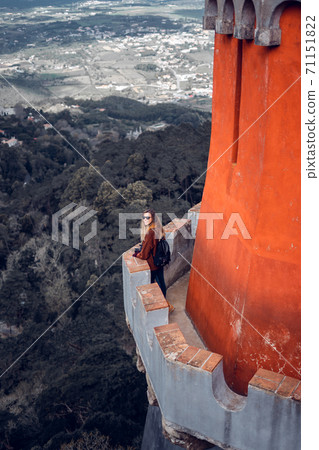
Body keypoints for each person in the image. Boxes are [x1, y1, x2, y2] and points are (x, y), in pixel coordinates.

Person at [133, 209, 174, 312]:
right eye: (144, 217)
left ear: (153, 218)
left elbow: (144, 254)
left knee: (152, 285)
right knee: (161, 283)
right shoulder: (159, 229)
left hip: (153, 264)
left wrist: (137, 254)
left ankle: (162, 307)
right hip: (160, 261)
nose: (145, 219)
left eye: (148, 217)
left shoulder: (150, 233)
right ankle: (166, 304)